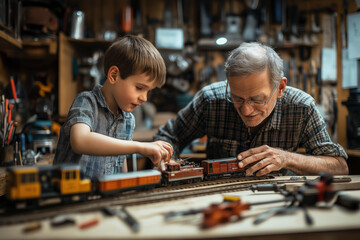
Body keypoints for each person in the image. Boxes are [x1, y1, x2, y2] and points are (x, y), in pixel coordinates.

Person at [154, 42, 348, 176]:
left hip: (276, 201)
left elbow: (339, 166)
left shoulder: (302, 107)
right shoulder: (211, 100)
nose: (246, 110)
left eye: (257, 100)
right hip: (218, 200)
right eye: (237, 98)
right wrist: (169, 162)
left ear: (280, 87)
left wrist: (286, 159)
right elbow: (168, 136)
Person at [54, 35, 173, 178]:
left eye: (149, 91)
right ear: (114, 75)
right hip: (72, 194)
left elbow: (119, 166)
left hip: (104, 198)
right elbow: (80, 141)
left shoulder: (128, 120)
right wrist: (140, 146)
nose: (144, 98)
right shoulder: (86, 102)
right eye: (139, 88)